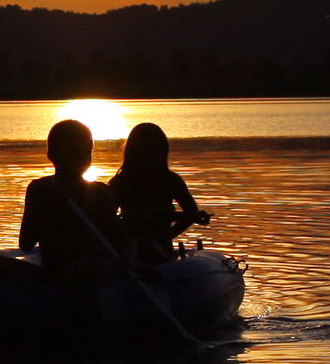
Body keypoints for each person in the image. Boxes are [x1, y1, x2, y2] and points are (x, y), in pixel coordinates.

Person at [16, 119, 137, 285]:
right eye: (73, 150)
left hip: (91, 265)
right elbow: (25, 244)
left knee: (85, 268)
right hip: (55, 268)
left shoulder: (98, 192)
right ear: (52, 154)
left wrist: (127, 257)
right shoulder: (40, 188)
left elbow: (124, 239)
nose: (81, 156)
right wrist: (53, 209)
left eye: (87, 150)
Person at [108, 122, 211, 263]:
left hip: (164, 251)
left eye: (160, 147)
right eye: (148, 147)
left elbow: (191, 211)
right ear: (135, 151)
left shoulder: (171, 180)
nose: (155, 153)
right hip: (133, 254)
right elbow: (108, 221)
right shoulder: (120, 183)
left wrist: (169, 235)